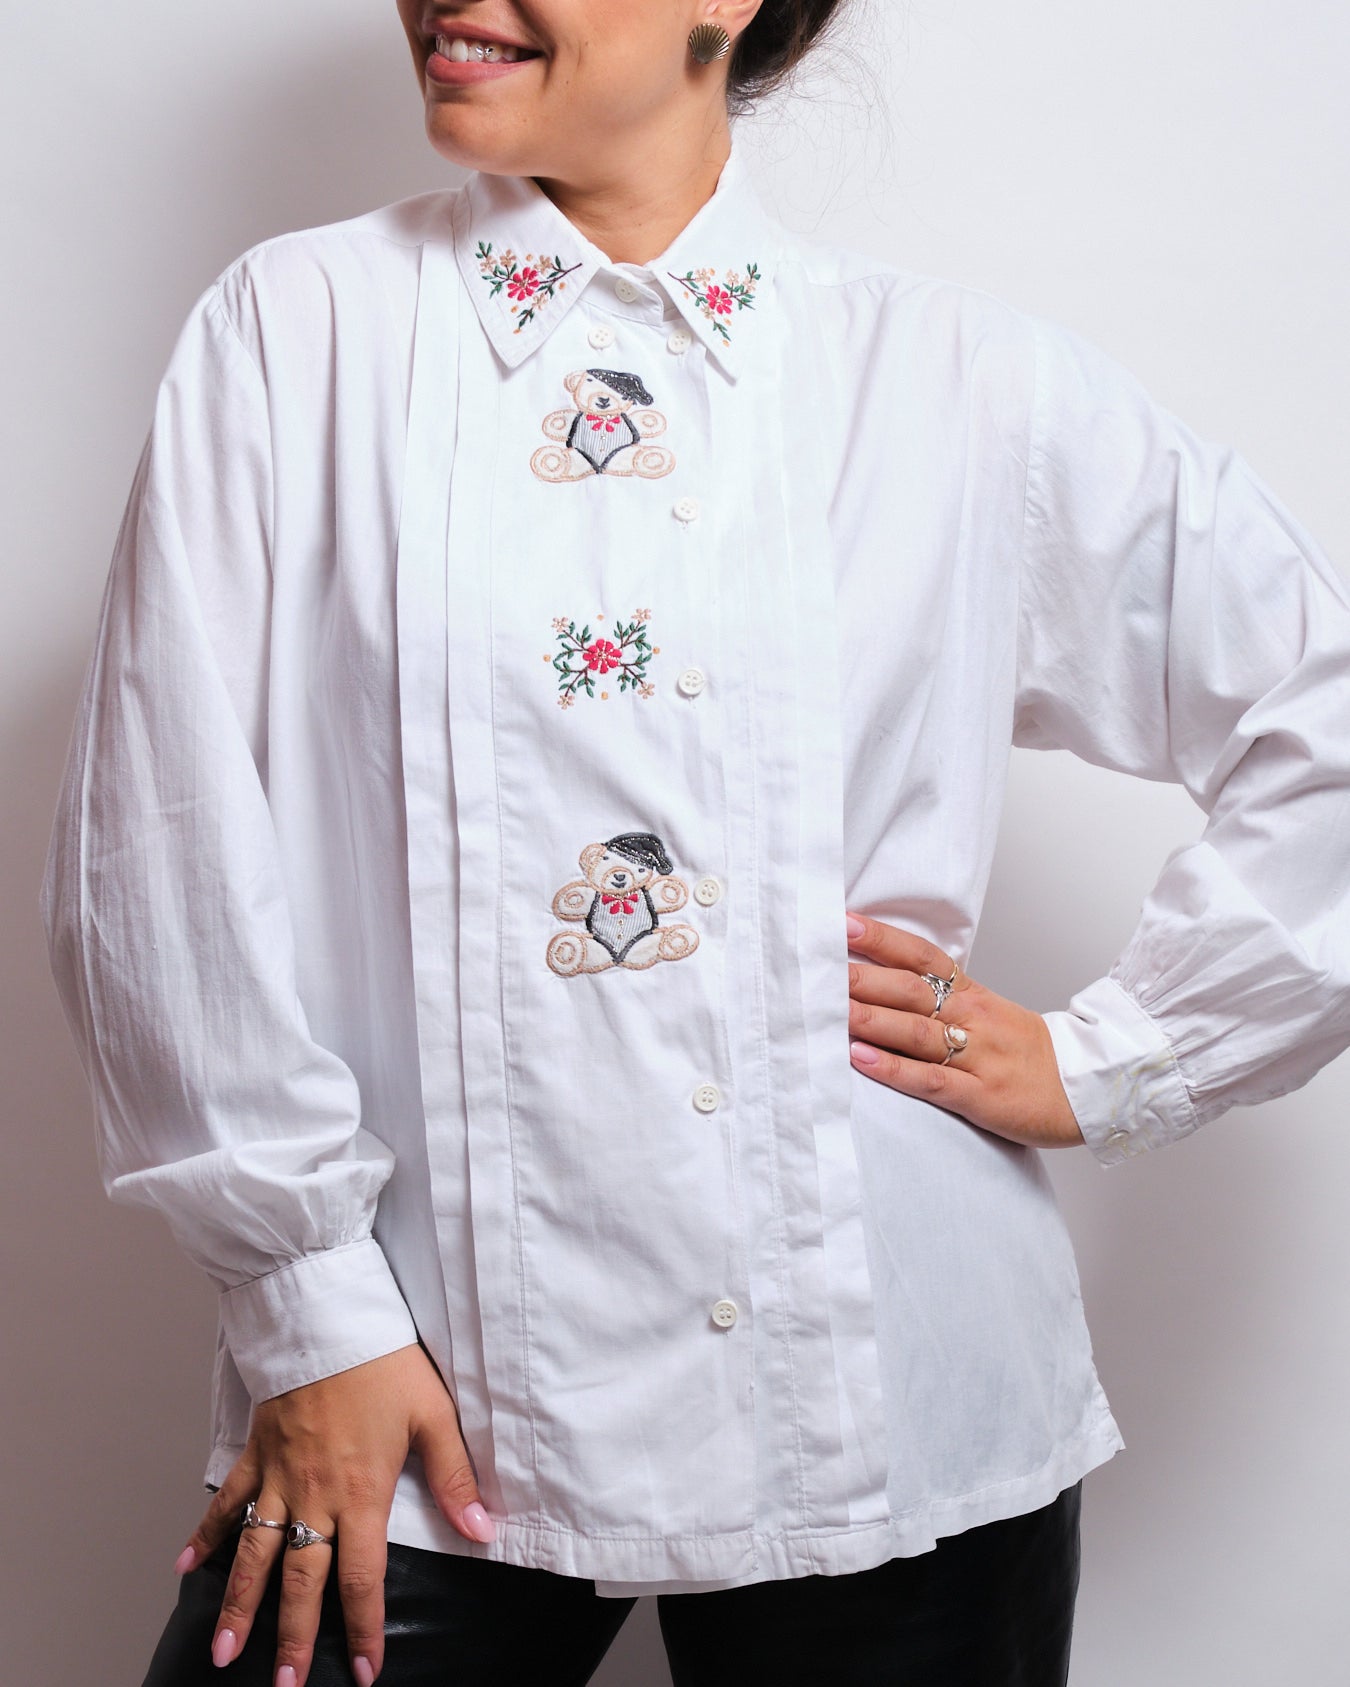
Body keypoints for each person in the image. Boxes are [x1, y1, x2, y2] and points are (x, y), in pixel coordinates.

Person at [38, 2, 1350, 1684]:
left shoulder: (952, 381)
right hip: (410, 1375)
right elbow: (156, 845)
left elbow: (1317, 708)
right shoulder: (304, 330)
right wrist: (306, 1306)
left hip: (887, 1395)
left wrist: (1121, 1057)